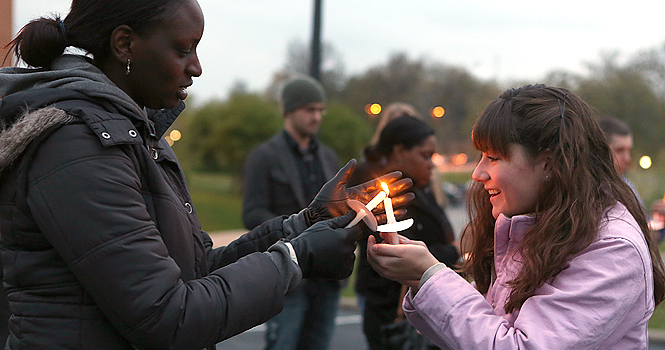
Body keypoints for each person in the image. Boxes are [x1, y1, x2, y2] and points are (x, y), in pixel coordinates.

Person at [0, 1, 414, 349]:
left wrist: (306, 223)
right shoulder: (76, 144)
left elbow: (196, 270)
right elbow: (168, 315)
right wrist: (297, 257)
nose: (196, 68)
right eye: (183, 50)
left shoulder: (139, 137)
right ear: (125, 43)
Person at [367, 84, 665, 349]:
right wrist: (420, 282)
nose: (477, 173)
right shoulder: (532, 224)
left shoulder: (612, 248)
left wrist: (431, 277)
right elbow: (474, 333)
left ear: (549, 164)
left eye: (493, 157)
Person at [242, 76, 342, 350]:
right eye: (310, 109)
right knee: (283, 344)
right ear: (289, 111)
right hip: (289, 273)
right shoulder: (264, 156)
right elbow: (252, 213)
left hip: (326, 273)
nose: (317, 116)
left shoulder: (328, 157)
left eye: (321, 110)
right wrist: (293, 230)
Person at [348, 115, 459, 350]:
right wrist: (454, 251)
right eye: (424, 155)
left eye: (433, 156)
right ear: (399, 152)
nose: (432, 164)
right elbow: (391, 252)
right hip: (390, 312)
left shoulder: (421, 190)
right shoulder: (381, 197)